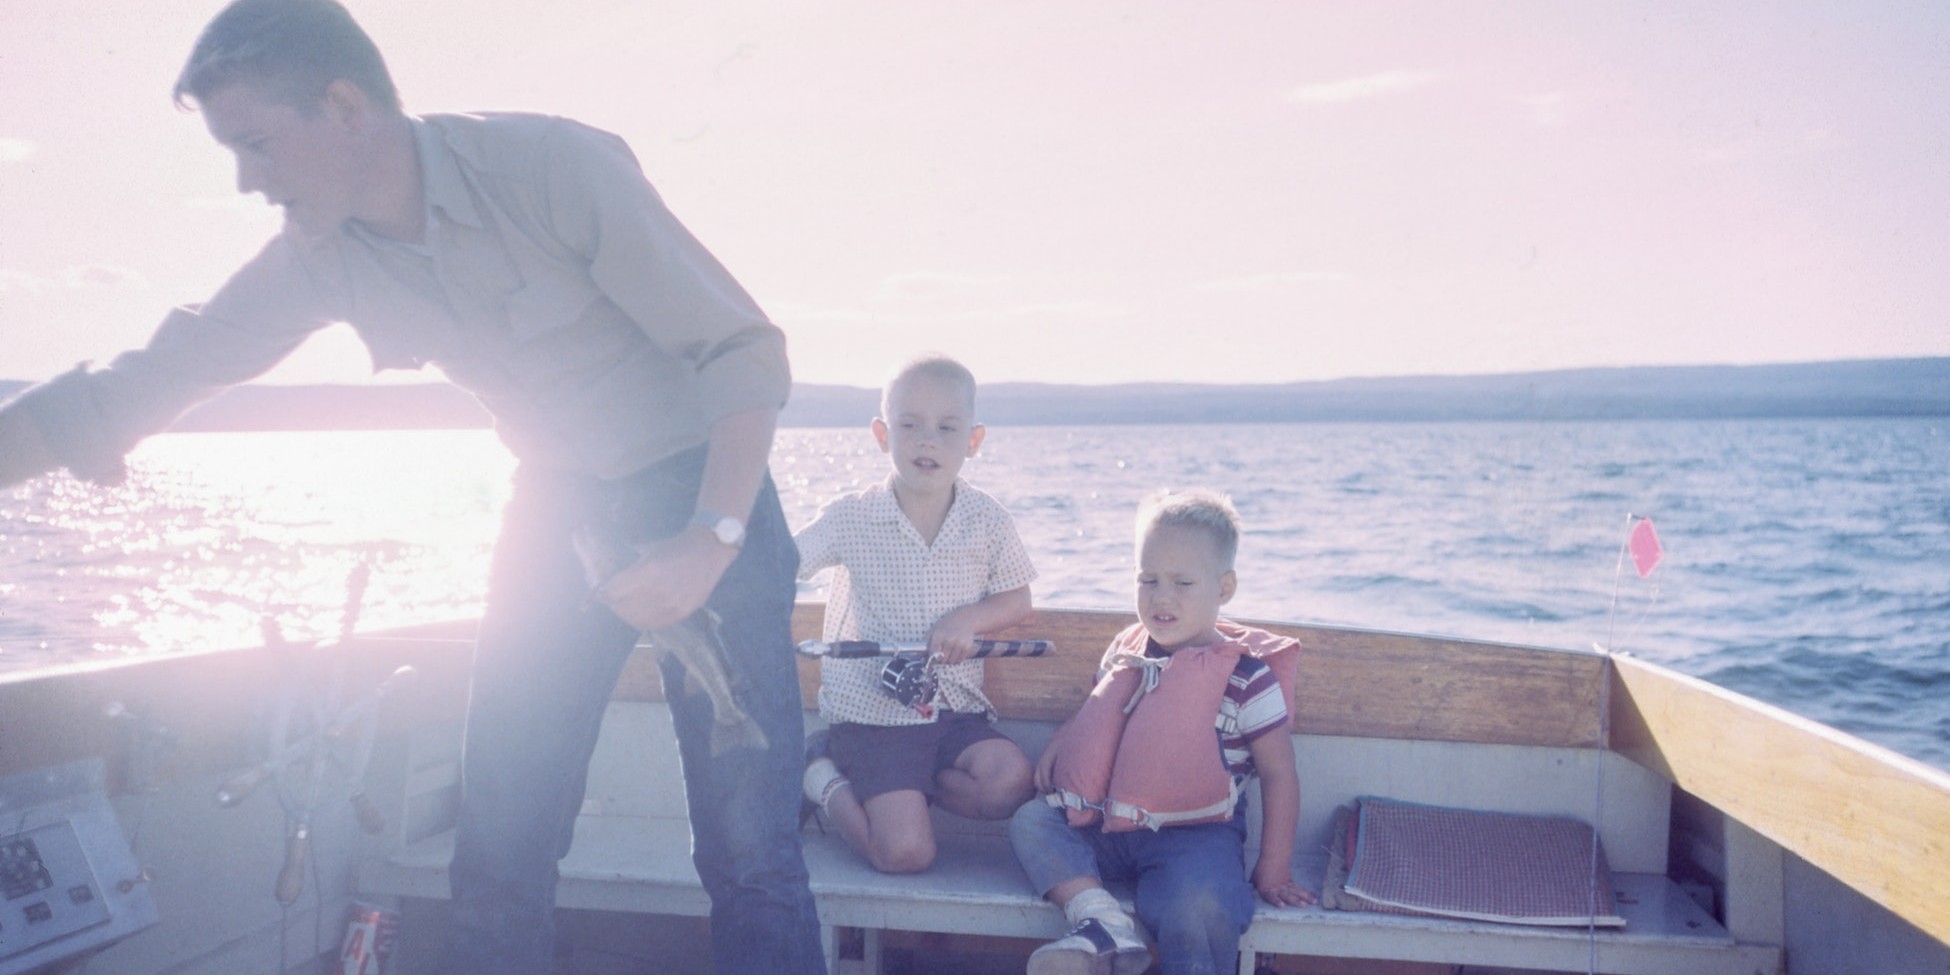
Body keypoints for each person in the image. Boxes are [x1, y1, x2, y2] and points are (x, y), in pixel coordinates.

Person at [0, 1, 825, 972]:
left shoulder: (555, 167)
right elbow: (148, 378)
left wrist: (711, 535)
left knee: (749, 851)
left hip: (703, 488)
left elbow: (741, 347)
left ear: (346, 105)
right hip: (555, 506)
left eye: (257, 142)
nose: (246, 179)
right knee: (499, 846)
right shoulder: (322, 258)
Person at [1010, 489, 1315, 975]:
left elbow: (1279, 773)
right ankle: (1100, 920)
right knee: (1032, 821)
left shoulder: (1247, 679)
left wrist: (1274, 864)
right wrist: (1059, 743)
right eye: (1147, 579)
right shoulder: (1128, 649)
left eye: (1182, 582)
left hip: (1197, 836)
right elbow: (1098, 710)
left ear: (1225, 588)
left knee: (1199, 905)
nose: (1161, 597)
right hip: (1105, 823)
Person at [794, 355, 1038, 873]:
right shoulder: (851, 516)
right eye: (910, 425)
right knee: (905, 854)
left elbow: (1018, 600)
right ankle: (821, 776)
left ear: (972, 441)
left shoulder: (988, 519)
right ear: (883, 434)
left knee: (1011, 783)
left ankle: (900, 795)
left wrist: (968, 620)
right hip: (875, 719)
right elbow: (783, 564)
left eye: (947, 428)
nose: (927, 440)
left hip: (956, 713)